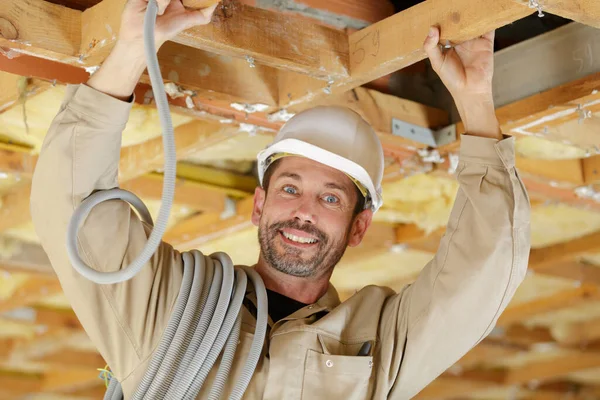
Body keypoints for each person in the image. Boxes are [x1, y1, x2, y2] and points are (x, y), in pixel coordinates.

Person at [30, 0, 530, 398]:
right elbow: (71, 203)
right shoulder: (168, 304)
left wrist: (476, 102)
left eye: (331, 199)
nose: (304, 211)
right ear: (259, 205)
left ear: (359, 227)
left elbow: (482, 275)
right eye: (290, 188)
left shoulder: (376, 343)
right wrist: (131, 51)